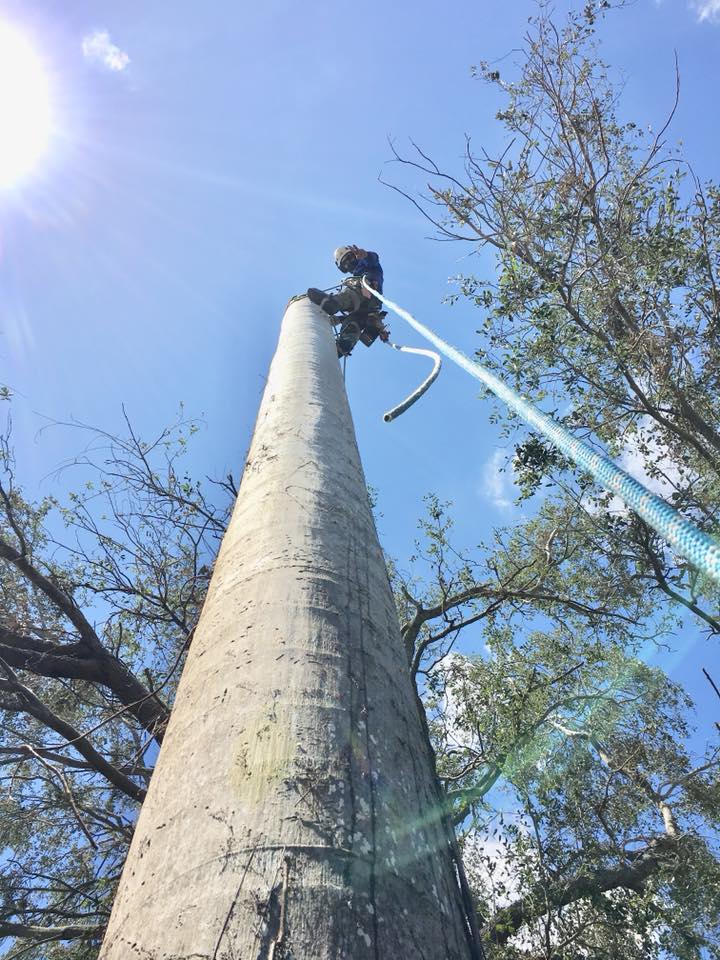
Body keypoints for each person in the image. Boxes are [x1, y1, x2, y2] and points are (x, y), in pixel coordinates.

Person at [307, 245, 390, 357]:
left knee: (352, 293)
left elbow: (373, 258)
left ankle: (334, 302)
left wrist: (364, 254)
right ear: (343, 268)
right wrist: (340, 319)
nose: (349, 263)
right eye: (345, 263)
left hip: (367, 293)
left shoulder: (370, 266)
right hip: (367, 312)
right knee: (351, 324)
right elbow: (357, 311)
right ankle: (343, 345)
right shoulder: (355, 276)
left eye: (350, 258)